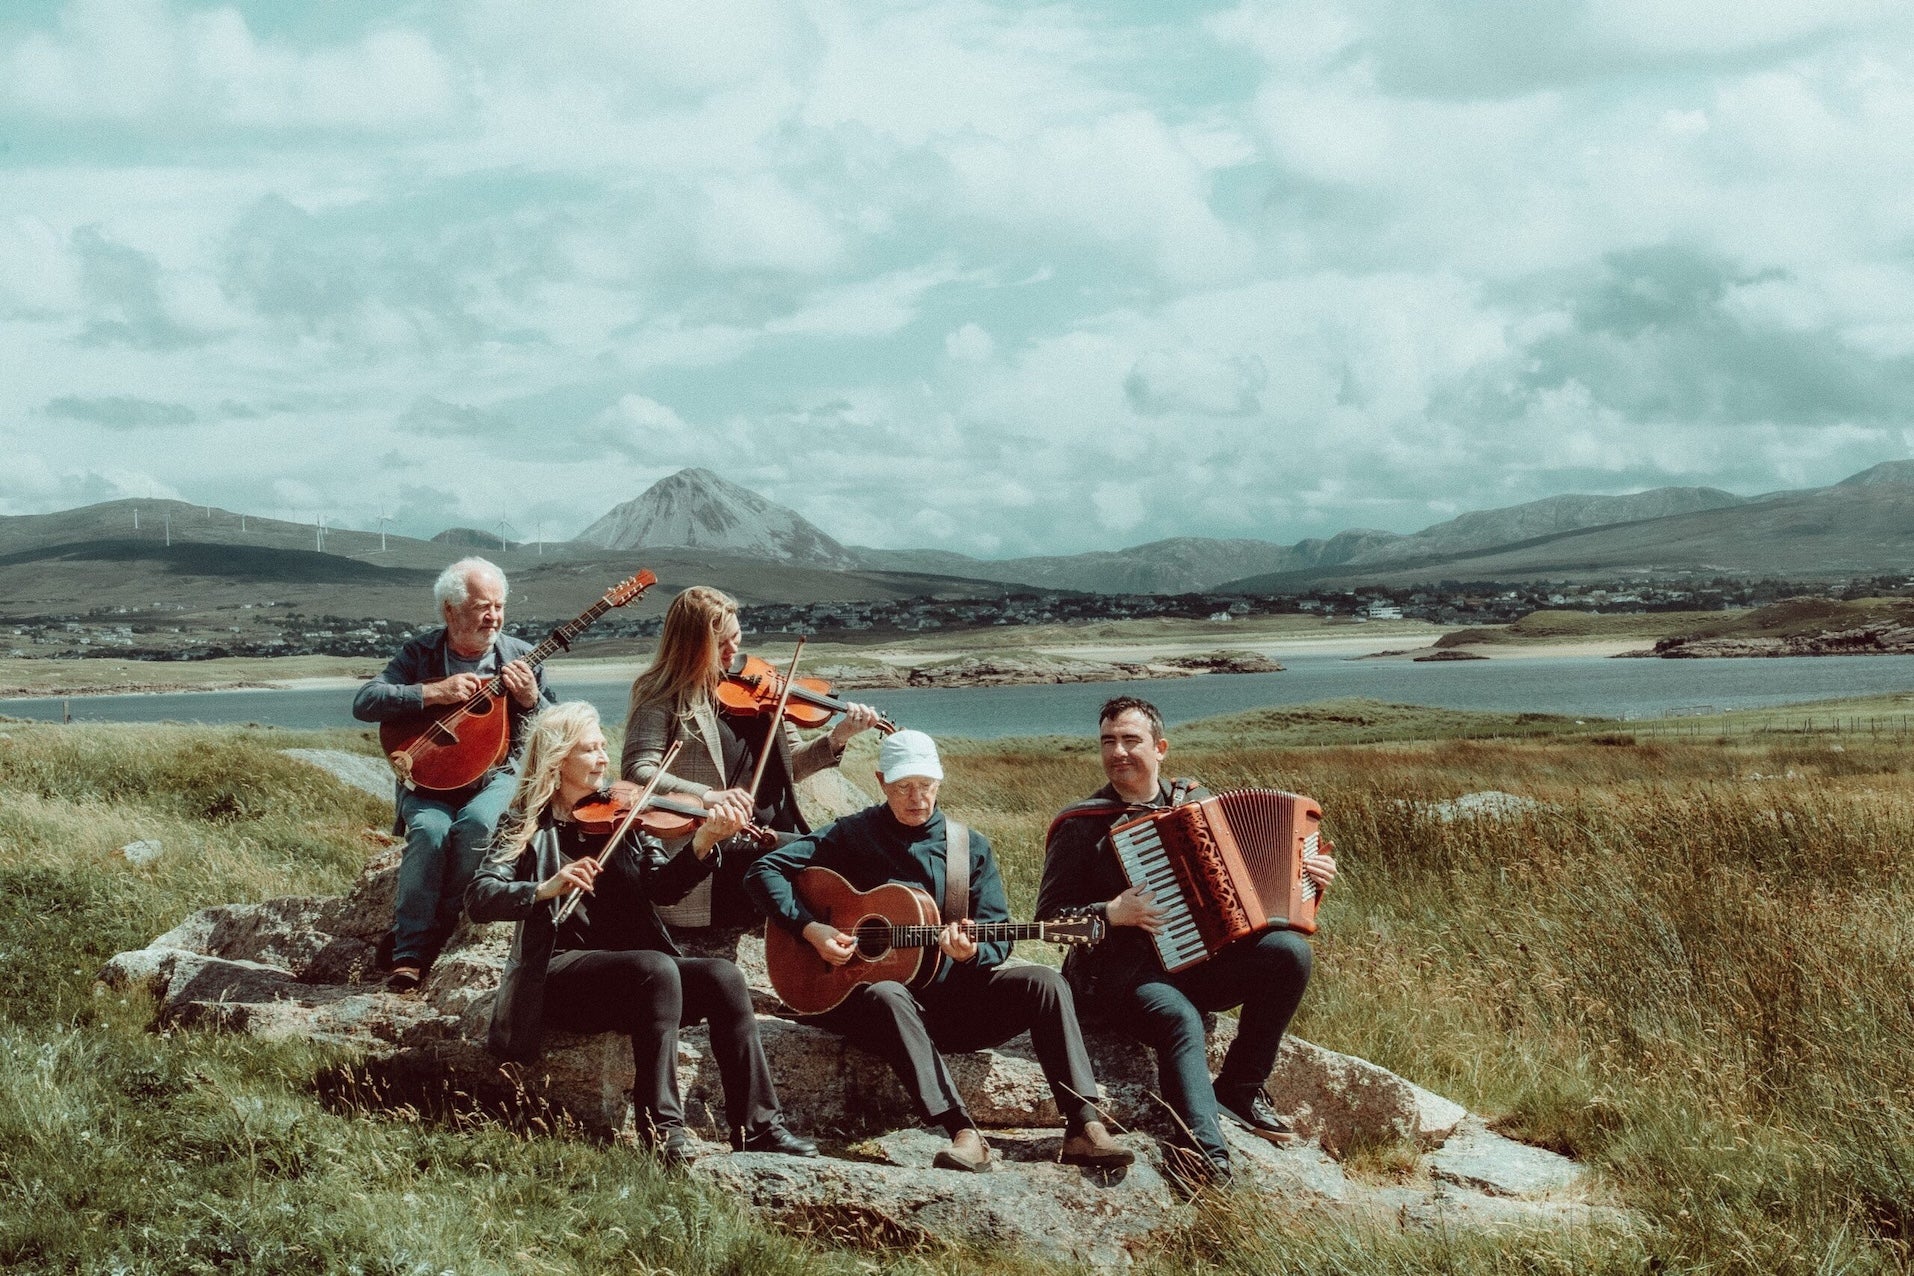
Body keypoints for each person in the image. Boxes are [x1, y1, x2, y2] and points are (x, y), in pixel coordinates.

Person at [744, 729, 1133, 1173]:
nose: (917, 798)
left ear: (940, 782)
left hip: (951, 1008)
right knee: (887, 991)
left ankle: (1084, 1125)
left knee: (1044, 981)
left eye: (926, 786)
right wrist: (811, 929)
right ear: (880, 781)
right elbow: (764, 870)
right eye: (903, 787)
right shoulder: (852, 835)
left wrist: (969, 954)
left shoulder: (969, 848)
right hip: (870, 1007)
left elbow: (999, 934)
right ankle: (961, 1132)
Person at [465, 701, 819, 1166]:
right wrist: (541, 888)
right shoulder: (526, 823)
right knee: (655, 968)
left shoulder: (625, 814)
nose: (603, 759)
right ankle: (662, 1131)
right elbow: (479, 896)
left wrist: (703, 842)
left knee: (722, 976)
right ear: (558, 759)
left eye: (602, 748)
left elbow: (662, 887)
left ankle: (759, 1127)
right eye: (589, 750)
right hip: (558, 975)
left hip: (635, 979)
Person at [1035, 695, 1338, 1184]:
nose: (1118, 752)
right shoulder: (1079, 825)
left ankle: (1240, 1089)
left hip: (1199, 964)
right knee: (1179, 1016)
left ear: (1161, 748)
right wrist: (1111, 912)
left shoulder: (1197, 804)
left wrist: (1309, 879)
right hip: (1119, 978)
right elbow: (1049, 921)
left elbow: (1259, 887)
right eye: (1108, 742)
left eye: (1131, 740)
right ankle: (1203, 1151)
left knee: (1289, 953)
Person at [622, 585, 881, 960]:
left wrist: (838, 737)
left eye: (737, 638)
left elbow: (793, 763)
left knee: (845, 860)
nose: (733, 652)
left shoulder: (763, 687)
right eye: (721, 644)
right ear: (692, 643)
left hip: (772, 829)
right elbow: (637, 771)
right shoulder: (662, 692)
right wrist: (706, 796)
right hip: (719, 839)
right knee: (829, 861)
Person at [353, 556, 554, 992]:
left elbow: (557, 725)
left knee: (478, 824)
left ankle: (438, 931)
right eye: (483, 606)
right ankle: (408, 954)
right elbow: (366, 701)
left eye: (499, 606)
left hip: (497, 775)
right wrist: (432, 692)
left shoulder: (520, 656)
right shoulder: (421, 653)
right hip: (432, 779)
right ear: (450, 610)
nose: (494, 616)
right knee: (427, 834)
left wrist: (533, 699)